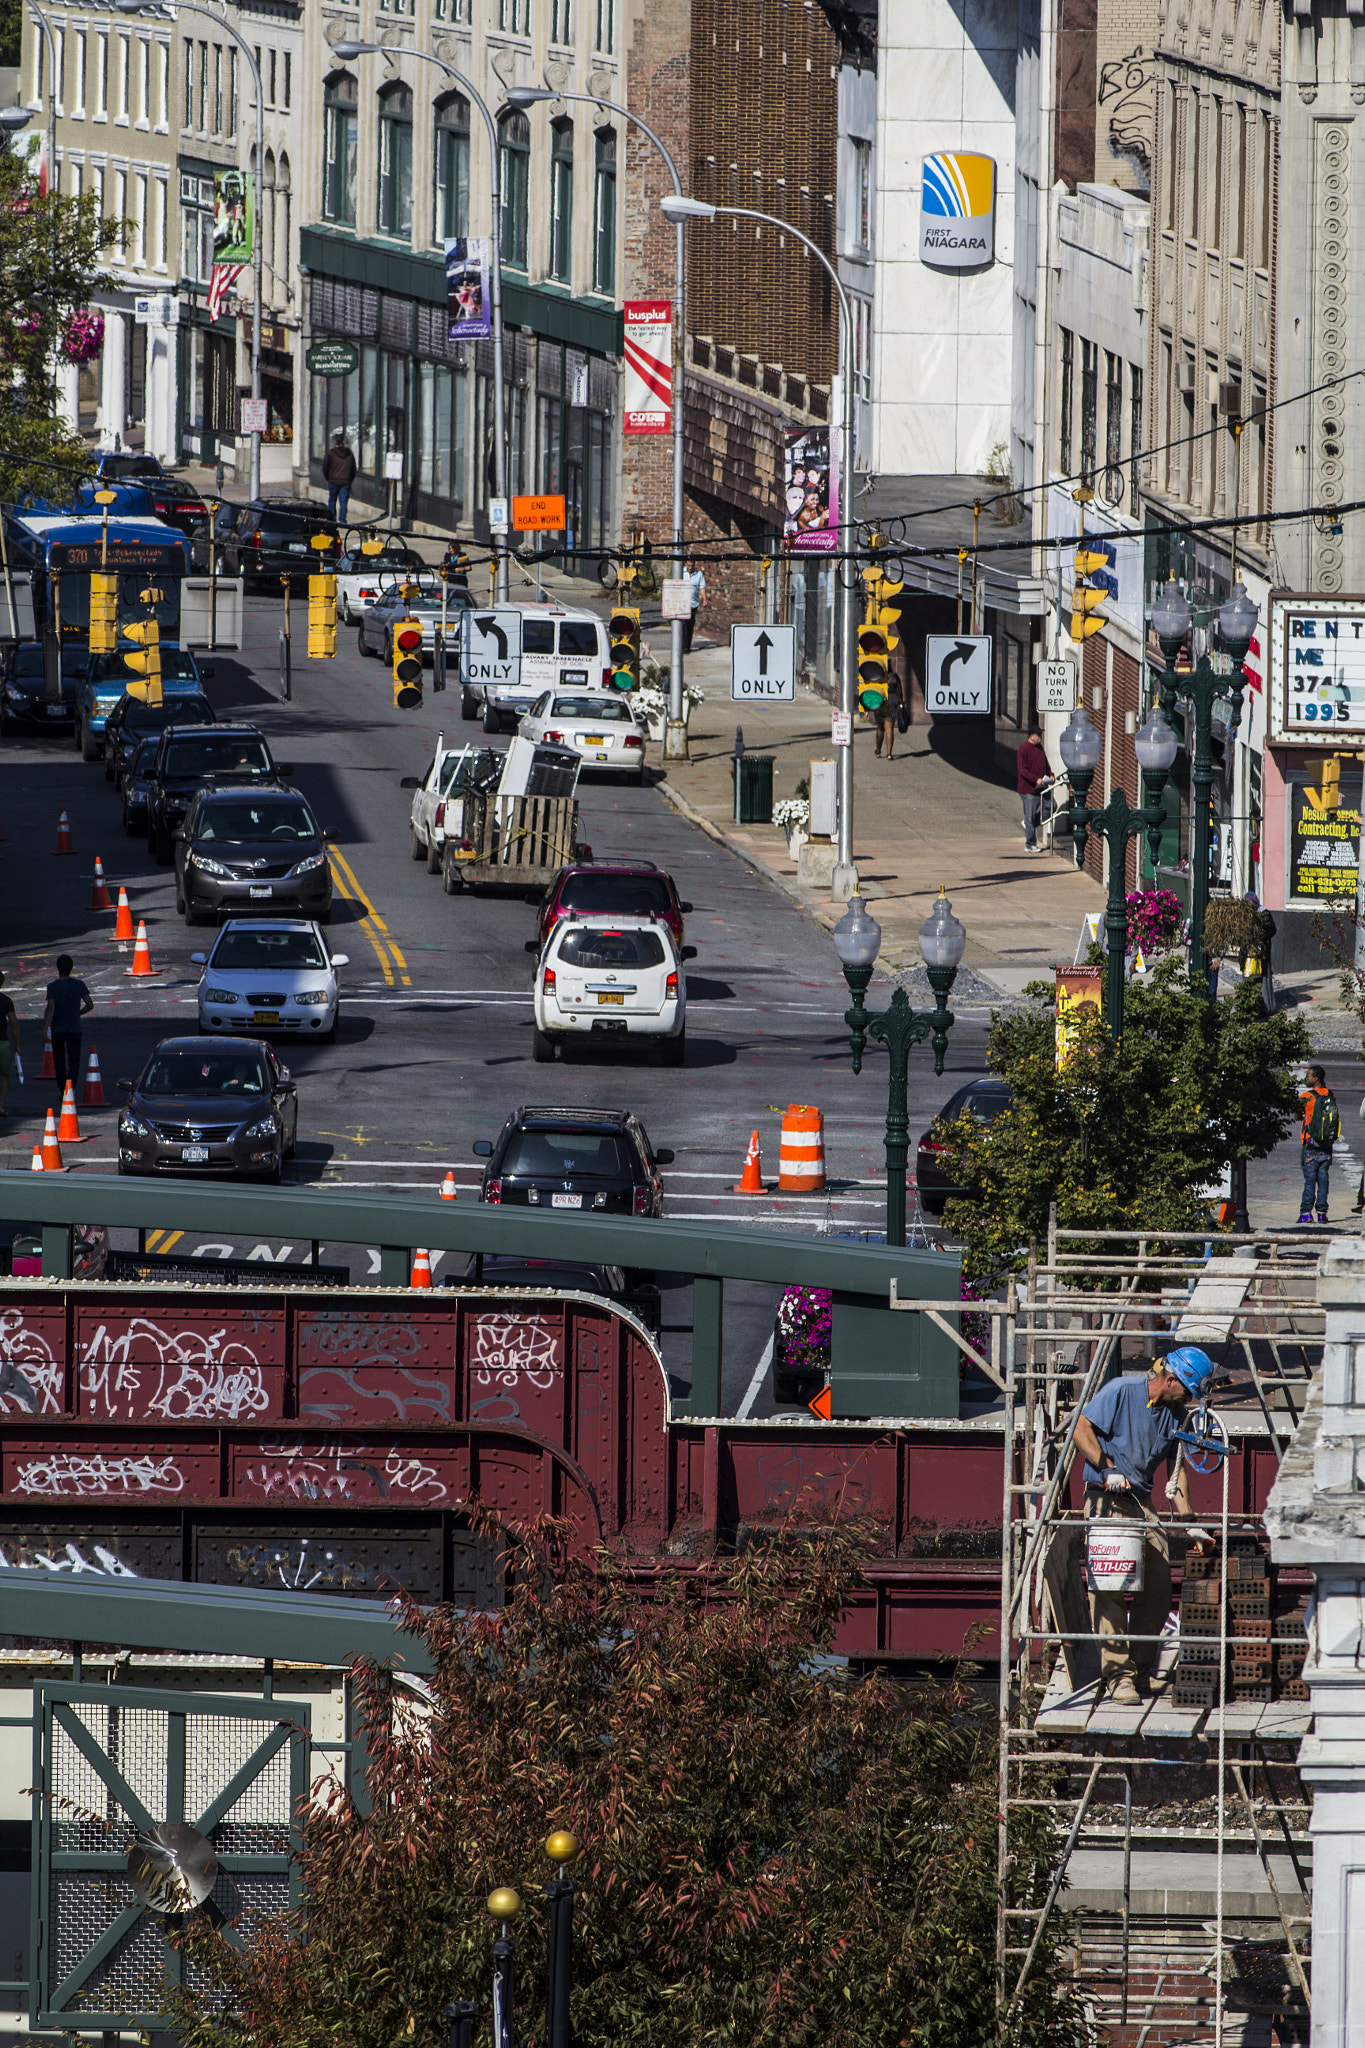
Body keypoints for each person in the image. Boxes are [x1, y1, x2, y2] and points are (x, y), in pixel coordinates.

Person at [1072, 1347, 1211, 1704]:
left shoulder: (1177, 1416)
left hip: (1142, 1503)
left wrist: (1190, 1523)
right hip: (1106, 1499)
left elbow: (1176, 1471)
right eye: (1187, 1391)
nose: (1189, 1399)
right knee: (1111, 1587)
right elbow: (1080, 1429)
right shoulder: (1120, 1391)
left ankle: (1141, 1668)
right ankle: (1119, 1677)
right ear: (1169, 1379)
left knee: (1159, 1584)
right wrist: (1106, 1467)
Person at [43, 956, 93, 1098]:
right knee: (74, 1061)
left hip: (58, 1029)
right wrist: (78, 1013)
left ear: (58, 968)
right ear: (71, 968)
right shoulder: (79, 985)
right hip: (74, 1029)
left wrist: (45, 1028)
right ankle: (71, 1087)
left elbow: (50, 1007)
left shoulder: (52, 986)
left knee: (59, 1062)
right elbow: (90, 1004)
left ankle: (62, 1089)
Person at [1299, 1063, 1339, 1223]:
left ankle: (1306, 1214)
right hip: (1326, 1144)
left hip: (1310, 1144)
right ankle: (1322, 1213)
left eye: (1308, 1076)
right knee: (1323, 1179)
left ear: (1316, 1078)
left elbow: (1297, 1116)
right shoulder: (1331, 1095)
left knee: (1309, 1180)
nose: (1306, 1079)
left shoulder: (1306, 1097)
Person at [1016, 725, 1051, 853]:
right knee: (1030, 816)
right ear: (1032, 736)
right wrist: (1035, 779)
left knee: (1051, 806)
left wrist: (1050, 774)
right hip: (1028, 789)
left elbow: (1045, 764)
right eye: (1038, 735)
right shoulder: (1023, 749)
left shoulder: (1039, 748)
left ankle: (1028, 823)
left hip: (1042, 786)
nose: (1040, 738)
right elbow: (1023, 770)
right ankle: (1030, 844)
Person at [322, 433, 357, 525]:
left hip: (333, 480)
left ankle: (332, 520)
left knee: (332, 501)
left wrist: (328, 478)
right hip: (345, 481)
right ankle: (342, 520)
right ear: (343, 442)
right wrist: (350, 480)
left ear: (334, 442)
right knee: (343, 502)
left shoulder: (330, 453)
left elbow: (325, 468)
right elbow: (354, 469)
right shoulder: (349, 454)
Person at [0, 969, 19, 1115]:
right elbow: (13, 1023)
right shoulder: (6, 1001)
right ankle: (0, 1105)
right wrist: (17, 1044)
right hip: (2, 1042)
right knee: (5, 1074)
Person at [872, 673, 904, 760]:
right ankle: (889, 754)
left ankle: (878, 751)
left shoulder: (877, 674)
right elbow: (899, 691)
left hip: (880, 699)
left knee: (880, 728)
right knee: (889, 729)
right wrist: (901, 704)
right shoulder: (894, 677)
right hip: (892, 701)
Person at [683, 558, 707, 654]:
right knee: (683, 625)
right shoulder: (681, 573)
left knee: (689, 625)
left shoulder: (698, 574)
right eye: (688, 565)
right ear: (686, 564)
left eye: (692, 566)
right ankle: (683, 646)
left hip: (693, 604)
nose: (690, 568)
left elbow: (702, 587)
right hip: (682, 604)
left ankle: (687, 645)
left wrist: (704, 599)